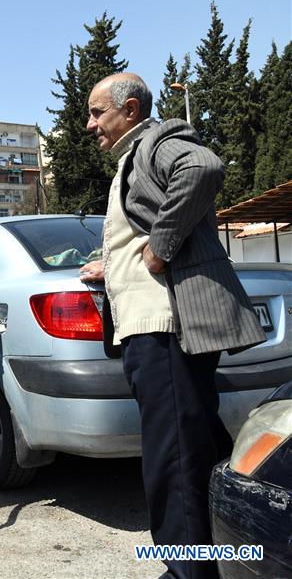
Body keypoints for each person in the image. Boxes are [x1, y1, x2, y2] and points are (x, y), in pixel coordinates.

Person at [79, 73, 265, 579]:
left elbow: (203, 167)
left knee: (174, 459)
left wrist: (159, 248)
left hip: (164, 329)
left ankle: (187, 571)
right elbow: (140, 229)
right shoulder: (134, 157)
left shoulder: (156, 140)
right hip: (154, 329)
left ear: (130, 110)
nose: (90, 124)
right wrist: (113, 264)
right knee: (198, 450)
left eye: (97, 112)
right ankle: (225, 558)